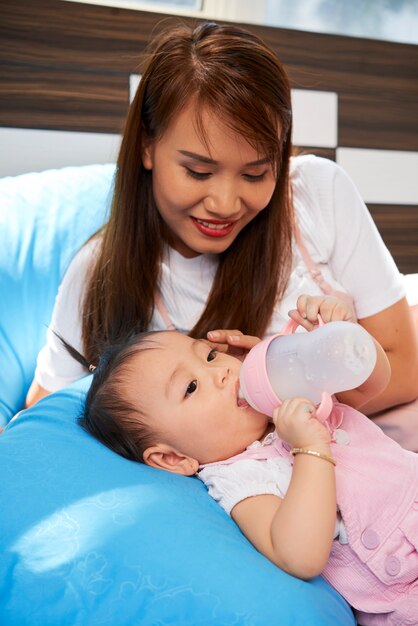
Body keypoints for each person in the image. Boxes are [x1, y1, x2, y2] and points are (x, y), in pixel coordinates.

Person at [25, 21, 418, 445]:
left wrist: (271, 387)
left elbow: (407, 367)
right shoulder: (101, 275)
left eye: (255, 173)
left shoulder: (315, 192)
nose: (226, 204)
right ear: (146, 146)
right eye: (198, 171)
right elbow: (43, 413)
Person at [61, 297, 417, 626]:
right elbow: (301, 555)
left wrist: (342, 337)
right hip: (402, 590)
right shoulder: (240, 477)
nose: (223, 373)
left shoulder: (285, 397)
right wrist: (310, 448)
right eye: (191, 387)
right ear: (172, 457)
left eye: (211, 357)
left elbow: (373, 384)